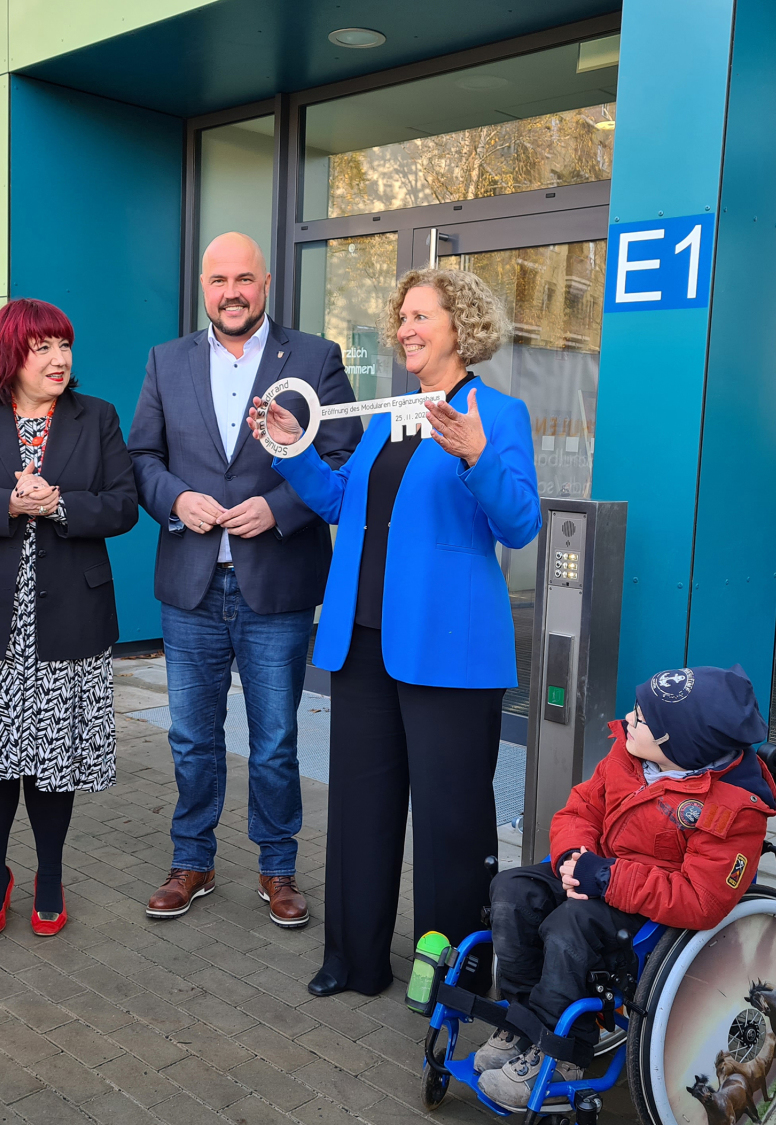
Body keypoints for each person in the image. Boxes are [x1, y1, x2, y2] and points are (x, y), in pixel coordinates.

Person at [249, 267, 538, 995]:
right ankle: (353, 959)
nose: (405, 328)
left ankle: (452, 980)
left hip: (449, 648)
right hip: (364, 639)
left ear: (460, 326)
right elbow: (342, 500)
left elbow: (521, 522)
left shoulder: (498, 415)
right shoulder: (389, 415)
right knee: (359, 810)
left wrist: (475, 454)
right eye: (401, 316)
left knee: (451, 826)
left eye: (420, 315)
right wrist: (294, 449)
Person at [127, 232, 360, 927]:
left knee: (275, 738)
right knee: (192, 737)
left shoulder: (315, 358)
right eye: (218, 279)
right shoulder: (166, 361)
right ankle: (191, 859)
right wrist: (175, 498)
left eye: (244, 279)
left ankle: (278, 869)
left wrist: (280, 507)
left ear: (266, 284)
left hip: (276, 581)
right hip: (192, 584)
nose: (231, 292)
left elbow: (344, 458)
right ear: (204, 286)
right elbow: (142, 455)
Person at [0, 298, 139, 939]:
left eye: (63, 345)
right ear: (10, 353)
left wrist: (60, 506)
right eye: (41, 346)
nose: (58, 358)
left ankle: (48, 873)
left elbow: (124, 505)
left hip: (67, 618)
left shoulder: (95, 416)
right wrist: (10, 504)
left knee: (54, 759)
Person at [476, 666, 776, 1109]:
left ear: (680, 744)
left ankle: (565, 1054)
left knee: (569, 926)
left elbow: (700, 899)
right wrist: (571, 856)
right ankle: (523, 1022)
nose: (628, 719)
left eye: (641, 718)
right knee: (512, 891)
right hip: (597, 869)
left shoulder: (731, 812)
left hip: (651, 906)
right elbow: (581, 809)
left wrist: (607, 878)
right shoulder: (628, 755)